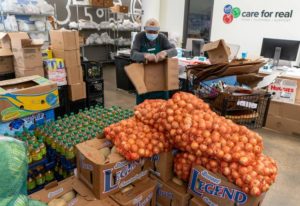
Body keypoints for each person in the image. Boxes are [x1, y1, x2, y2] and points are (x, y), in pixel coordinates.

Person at [131, 18, 177, 104]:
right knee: (143, 106)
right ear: (145, 29)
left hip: (160, 77)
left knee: (161, 106)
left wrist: (165, 52)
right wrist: (145, 55)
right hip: (143, 77)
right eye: (149, 31)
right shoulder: (139, 37)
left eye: (155, 32)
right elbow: (133, 54)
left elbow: (174, 51)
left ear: (158, 31)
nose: (152, 34)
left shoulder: (162, 37)